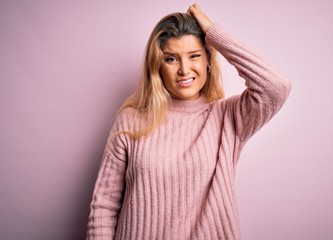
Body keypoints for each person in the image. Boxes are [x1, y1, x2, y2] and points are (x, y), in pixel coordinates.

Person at [87, 3, 291, 240]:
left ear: (207, 59)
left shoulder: (228, 118)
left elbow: (276, 86)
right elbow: (104, 204)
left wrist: (214, 34)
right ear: (157, 66)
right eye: (171, 59)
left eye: (194, 56)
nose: (184, 69)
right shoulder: (131, 120)